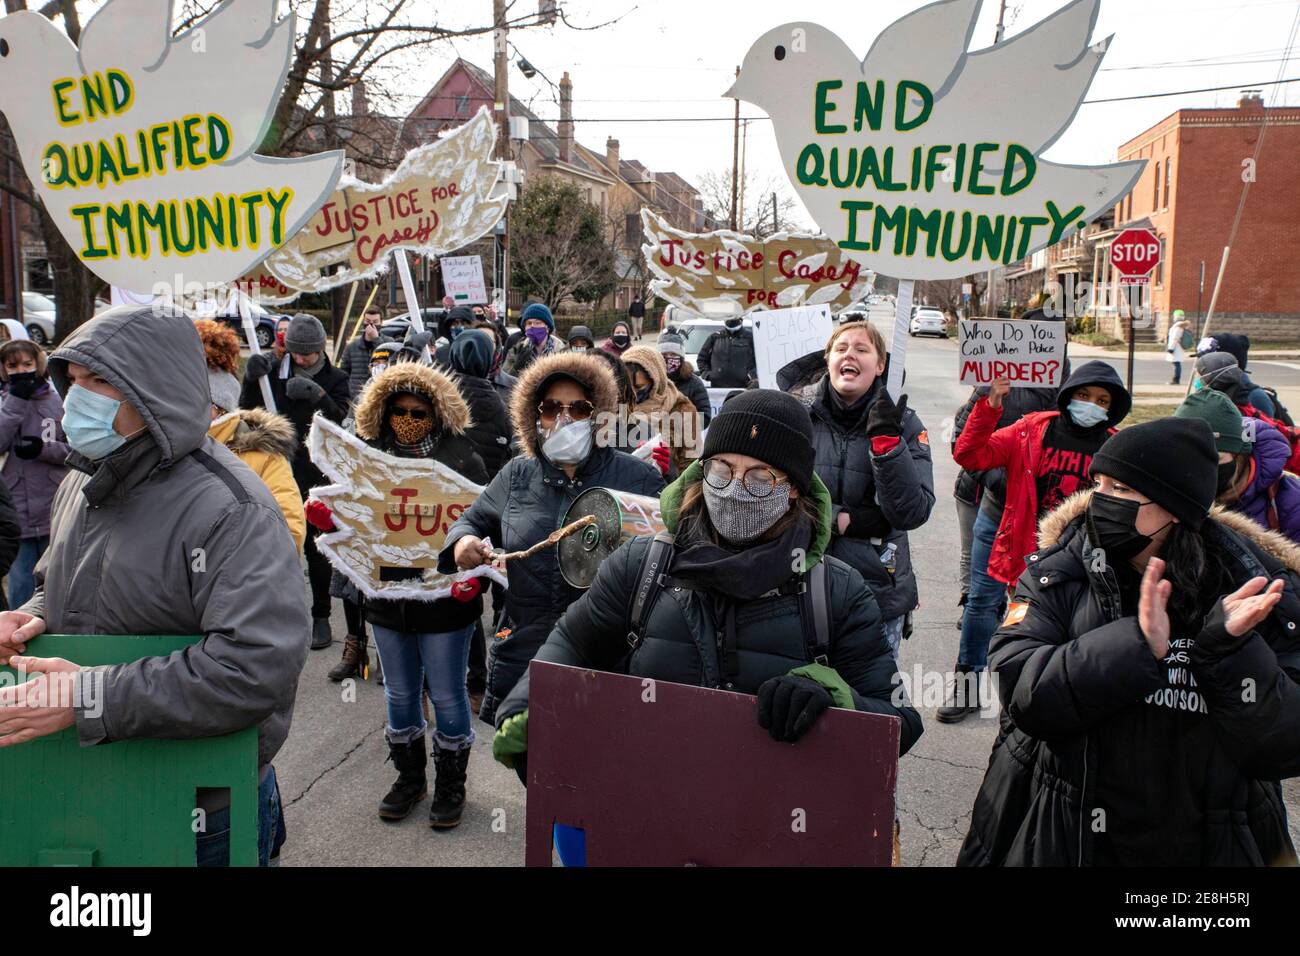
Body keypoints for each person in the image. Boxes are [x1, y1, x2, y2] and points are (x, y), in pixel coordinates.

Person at [490, 389, 923, 792]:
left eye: (759, 476)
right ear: (702, 471)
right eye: (722, 469)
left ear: (793, 489)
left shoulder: (836, 591)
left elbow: (899, 721)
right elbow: (572, 643)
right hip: (650, 809)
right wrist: (530, 706)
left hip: (775, 826)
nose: (735, 488)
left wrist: (833, 697)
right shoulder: (644, 564)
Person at [0, 305, 308, 867]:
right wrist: (32, 614)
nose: (76, 399)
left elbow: (254, 670)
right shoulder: (82, 478)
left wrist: (89, 697)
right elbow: (59, 582)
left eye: (99, 382)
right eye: (73, 380)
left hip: (202, 801)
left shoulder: (231, 510)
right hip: (93, 778)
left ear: (153, 391)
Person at [958, 418, 1300, 866]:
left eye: (1121, 489)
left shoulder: (1256, 591)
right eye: (1098, 484)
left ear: (1174, 508)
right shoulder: (1058, 570)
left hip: (1207, 841)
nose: (1101, 500)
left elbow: (1283, 745)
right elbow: (1022, 691)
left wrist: (1231, 653)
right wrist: (1135, 645)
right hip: (1065, 829)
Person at [307, 362, 488, 827]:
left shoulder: (462, 458)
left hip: (444, 599)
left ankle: (451, 783)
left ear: (437, 411)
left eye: (418, 410)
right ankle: (410, 778)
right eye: (398, 410)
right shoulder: (370, 456)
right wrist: (333, 522)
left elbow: (485, 528)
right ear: (382, 412)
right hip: (387, 599)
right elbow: (358, 526)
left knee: (447, 696)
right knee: (399, 693)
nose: (407, 418)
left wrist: (476, 581)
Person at [439, 351, 664, 725]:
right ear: (534, 416)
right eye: (550, 408)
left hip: (606, 659)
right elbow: (470, 521)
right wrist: (462, 542)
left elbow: (668, 553)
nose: (564, 418)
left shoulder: (638, 479)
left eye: (578, 408)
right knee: (533, 767)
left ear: (598, 414)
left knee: (600, 768)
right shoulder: (516, 476)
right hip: (525, 652)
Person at [947, 361, 1131, 722]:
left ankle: (1027, 699)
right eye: (1083, 395)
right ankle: (966, 687)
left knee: (1045, 625)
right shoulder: (1031, 430)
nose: (1091, 404)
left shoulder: (1115, 447)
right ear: (1068, 395)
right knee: (983, 605)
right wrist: (990, 407)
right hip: (1012, 537)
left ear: (1111, 408)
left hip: (1068, 556)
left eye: (1101, 400)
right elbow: (969, 454)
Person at [806, 321, 935, 655]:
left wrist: (887, 446)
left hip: (877, 591)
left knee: (871, 700)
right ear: (828, 359)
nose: (850, 354)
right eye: (841, 348)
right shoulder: (799, 416)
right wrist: (842, 520)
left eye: (862, 349)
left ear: (880, 366)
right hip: (800, 584)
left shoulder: (904, 423)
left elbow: (910, 512)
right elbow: (775, 495)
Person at [241, 313, 351, 651]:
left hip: (315, 473)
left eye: (306, 354)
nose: (299, 359)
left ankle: (321, 616)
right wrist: (250, 379)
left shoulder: (336, 378)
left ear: (319, 351)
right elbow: (247, 413)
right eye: (294, 353)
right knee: (278, 546)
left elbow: (340, 418)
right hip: (276, 471)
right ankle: (280, 616)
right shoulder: (273, 372)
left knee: (316, 550)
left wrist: (318, 395)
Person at [446, 328, 515, 710]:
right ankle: (478, 684)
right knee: (476, 591)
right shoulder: (499, 401)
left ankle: (444, 681)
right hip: (488, 508)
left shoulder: (443, 398)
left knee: (451, 595)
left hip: (446, 514)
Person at [200, 322, 305, 554]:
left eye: (198, 402)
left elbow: (289, 534)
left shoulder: (263, 457)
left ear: (220, 407)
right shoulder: (161, 450)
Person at [1176, 389, 1300, 543]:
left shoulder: (1290, 501)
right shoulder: (1163, 494)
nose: (1199, 466)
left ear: (1239, 455)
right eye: (1188, 457)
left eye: (1215, 457)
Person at [0, 338, 68, 609]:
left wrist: (44, 449)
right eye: (12, 365)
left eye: (27, 364)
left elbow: (77, 449)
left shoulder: (57, 399)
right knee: (21, 586)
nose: (21, 371)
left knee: (58, 581)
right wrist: (16, 400)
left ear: (38, 364)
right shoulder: (5, 402)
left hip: (53, 503)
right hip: (18, 510)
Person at [621, 344, 701, 479]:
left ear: (656, 381)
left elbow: (691, 466)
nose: (633, 394)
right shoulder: (614, 407)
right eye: (628, 387)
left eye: (639, 387)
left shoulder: (682, 410)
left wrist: (668, 473)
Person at [1198, 333, 1279, 420]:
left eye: (1206, 363)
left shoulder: (1254, 397)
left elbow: (1265, 430)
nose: (1199, 368)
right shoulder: (1211, 391)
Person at [656, 330, 711, 426]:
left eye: (673, 354)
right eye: (664, 355)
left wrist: (680, 420)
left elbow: (705, 417)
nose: (669, 358)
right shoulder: (652, 381)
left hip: (684, 438)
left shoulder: (694, 383)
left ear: (681, 357)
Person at [338, 305, 390, 404]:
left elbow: (388, 360)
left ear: (381, 322)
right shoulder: (352, 346)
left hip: (379, 396)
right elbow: (344, 372)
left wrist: (376, 339)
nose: (371, 325)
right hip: (356, 397)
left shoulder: (388, 342)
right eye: (367, 321)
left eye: (375, 322)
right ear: (363, 321)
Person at [504, 303, 564, 376]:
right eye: (529, 323)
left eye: (537, 323)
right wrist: (516, 368)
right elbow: (504, 380)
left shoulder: (562, 351)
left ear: (547, 328)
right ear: (525, 328)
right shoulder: (517, 350)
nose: (532, 326)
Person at [697, 317, 757, 389]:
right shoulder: (715, 337)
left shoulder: (750, 337)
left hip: (744, 386)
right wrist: (707, 374)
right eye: (728, 317)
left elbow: (761, 360)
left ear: (740, 320)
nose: (731, 319)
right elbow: (702, 358)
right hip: (718, 387)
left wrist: (751, 375)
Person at [1165, 310, 1192, 385]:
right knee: (1176, 363)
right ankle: (1176, 379)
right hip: (1178, 347)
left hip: (1176, 348)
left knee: (1176, 364)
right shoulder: (1181, 326)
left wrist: (1171, 348)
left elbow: (1175, 338)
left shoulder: (1178, 327)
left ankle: (1176, 380)